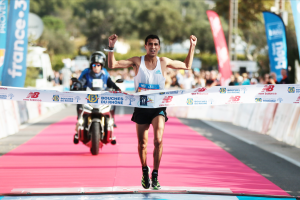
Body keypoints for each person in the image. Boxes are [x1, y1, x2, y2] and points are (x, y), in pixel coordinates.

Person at [107, 34, 197, 189]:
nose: (153, 47)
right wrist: (111, 46)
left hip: (158, 108)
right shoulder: (137, 61)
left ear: (159, 47)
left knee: (159, 140)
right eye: (150, 44)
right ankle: (144, 171)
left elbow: (187, 65)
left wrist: (192, 46)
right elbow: (113, 64)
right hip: (141, 107)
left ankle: (155, 174)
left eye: (156, 44)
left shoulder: (163, 62)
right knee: (142, 144)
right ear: (145, 46)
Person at [74, 51, 121, 130]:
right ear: (91, 65)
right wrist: (76, 86)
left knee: (113, 100)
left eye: (98, 65)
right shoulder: (87, 74)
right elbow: (81, 82)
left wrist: (116, 87)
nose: (96, 67)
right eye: (94, 65)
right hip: (88, 99)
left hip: (102, 98)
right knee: (79, 101)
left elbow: (110, 83)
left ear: (101, 66)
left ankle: (112, 120)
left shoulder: (105, 73)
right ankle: (79, 120)